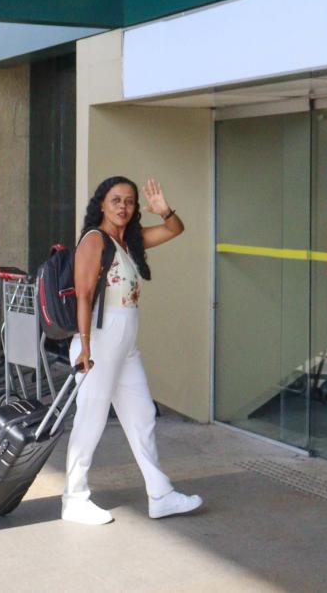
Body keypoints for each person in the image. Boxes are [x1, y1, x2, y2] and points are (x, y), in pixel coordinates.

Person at [61, 176, 201, 526]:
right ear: (101, 204)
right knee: (90, 420)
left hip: (125, 347)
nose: (123, 206)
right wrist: (85, 346)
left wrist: (164, 210)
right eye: (116, 200)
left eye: (129, 201)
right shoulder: (95, 240)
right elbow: (84, 295)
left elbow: (175, 229)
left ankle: (160, 494)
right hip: (98, 342)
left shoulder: (129, 241)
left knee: (142, 417)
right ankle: (74, 498)